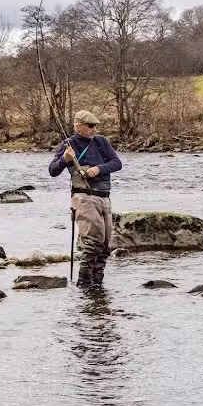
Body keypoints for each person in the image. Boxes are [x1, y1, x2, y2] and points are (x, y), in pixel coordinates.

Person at [49, 110, 122, 288]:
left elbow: (117, 163)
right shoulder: (68, 145)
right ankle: (83, 283)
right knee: (94, 242)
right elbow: (53, 170)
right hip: (83, 197)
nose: (94, 129)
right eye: (90, 126)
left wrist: (99, 169)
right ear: (78, 126)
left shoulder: (101, 142)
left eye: (95, 126)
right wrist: (65, 159)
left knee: (105, 245)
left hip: (104, 198)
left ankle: (97, 284)